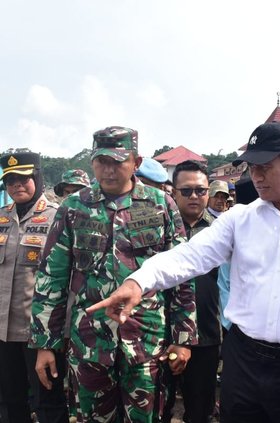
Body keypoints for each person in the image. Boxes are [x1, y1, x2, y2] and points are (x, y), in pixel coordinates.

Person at [88, 121, 280, 423]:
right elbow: (189, 256)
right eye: (251, 167)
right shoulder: (240, 220)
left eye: (265, 167)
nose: (255, 177)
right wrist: (138, 281)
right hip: (245, 360)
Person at [29, 126, 197, 422]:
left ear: (136, 162)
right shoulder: (73, 208)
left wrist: (182, 337)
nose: (108, 170)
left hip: (147, 342)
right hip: (89, 343)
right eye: (100, 161)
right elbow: (51, 278)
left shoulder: (161, 205)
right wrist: (45, 344)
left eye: (117, 161)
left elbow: (181, 272)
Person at [0, 151, 69, 423]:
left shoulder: (58, 218)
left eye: (24, 178)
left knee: (48, 403)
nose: (17, 185)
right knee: (8, 402)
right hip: (3, 332)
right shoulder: (1, 218)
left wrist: (56, 337)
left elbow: (66, 279)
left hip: (40, 333)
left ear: (38, 178)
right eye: (11, 180)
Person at [163, 160, 222, 423]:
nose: (194, 196)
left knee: (200, 411)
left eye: (200, 190)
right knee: (157, 407)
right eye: (186, 191)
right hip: (161, 332)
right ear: (173, 192)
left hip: (206, 335)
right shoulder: (158, 229)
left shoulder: (221, 230)